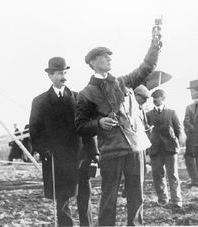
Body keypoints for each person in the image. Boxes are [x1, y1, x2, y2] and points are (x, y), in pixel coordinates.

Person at [75, 28, 161, 226]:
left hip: (135, 147)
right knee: (109, 198)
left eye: (108, 56)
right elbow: (80, 126)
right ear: (92, 63)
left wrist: (155, 44)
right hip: (111, 151)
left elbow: (147, 67)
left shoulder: (123, 82)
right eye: (103, 57)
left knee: (136, 196)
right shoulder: (86, 94)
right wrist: (98, 123)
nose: (108, 58)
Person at [29, 57, 93, 226]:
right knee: (62, 198)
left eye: (64, 72)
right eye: (58, 73)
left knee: (84, 196)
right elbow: (35, 131)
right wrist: (43, 150)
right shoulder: (40, 102)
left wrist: (92, 153)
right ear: (50, 76)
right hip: (56, 158)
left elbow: (87, 128)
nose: (62, 76)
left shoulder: (79, 98)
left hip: (79, 156)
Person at [146, 89, 183, 208]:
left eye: (157, 97)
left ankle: (176, 201)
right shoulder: (148, 115)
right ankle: (163, 200)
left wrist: (177, 141)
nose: (154, 100)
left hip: (170, 149)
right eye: (153, 98)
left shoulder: (172, 113)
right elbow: (146, 133)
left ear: (163, 98)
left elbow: (178, 130)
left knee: (173, 175)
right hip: (155, 149)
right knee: (157, 175)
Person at [183, 79, 198, 187]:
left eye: (192, 91)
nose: (191, 94)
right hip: (193, 140)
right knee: (190, 158)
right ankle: (195, 179)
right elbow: (186, 122)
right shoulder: (190, 107)